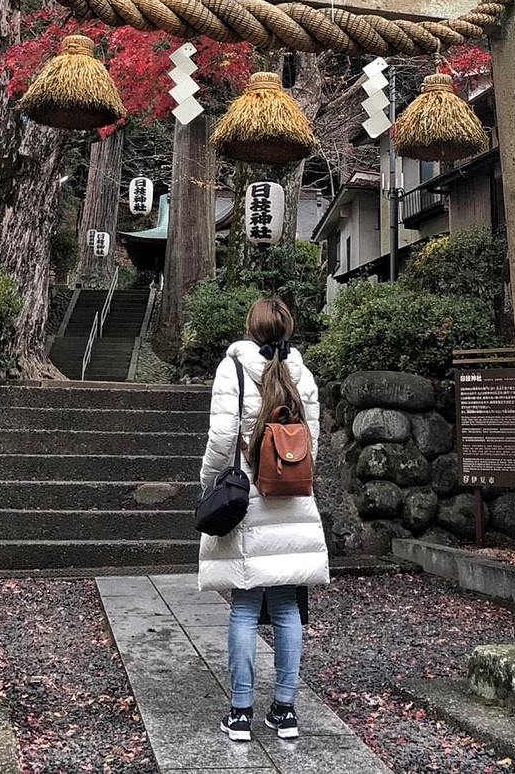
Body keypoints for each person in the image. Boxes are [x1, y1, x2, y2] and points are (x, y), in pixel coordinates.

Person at [197, 296, 329, 743]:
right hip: (292, 495)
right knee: (287, 606)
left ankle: (239, 713)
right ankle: (286, 712)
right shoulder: (303, 373)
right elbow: (314, 441)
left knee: (246, 606)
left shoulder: (232, 368)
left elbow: (221, 436)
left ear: (250, 328)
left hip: (248, 497)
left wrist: (210, 481)